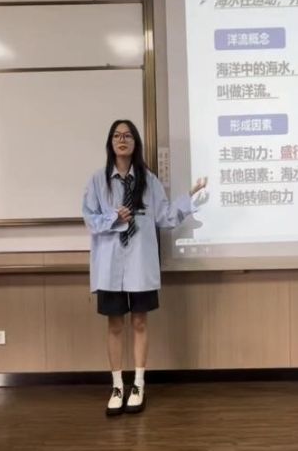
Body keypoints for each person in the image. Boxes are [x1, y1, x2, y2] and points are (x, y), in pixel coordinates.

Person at [82, 119, 206, 416]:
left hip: (140, 263)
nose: (122, 140)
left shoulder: (148, 180)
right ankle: (117, 386)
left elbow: (165, 216)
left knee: (139, 323)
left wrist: (190, 197)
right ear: (110, 143)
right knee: (115, 325)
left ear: (135, 142)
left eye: (128, 135)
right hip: (110, 266)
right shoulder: (98, 180)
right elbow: (89, 219)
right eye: (116, 135)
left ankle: (138, 384)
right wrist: (114, 218)